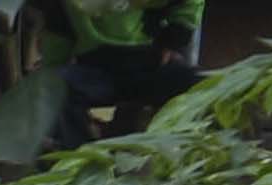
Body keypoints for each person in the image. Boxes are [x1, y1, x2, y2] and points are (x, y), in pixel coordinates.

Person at [43, 0, 199, 151]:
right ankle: (79, 159)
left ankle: (181, 155)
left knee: (198, 85)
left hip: (149, 63)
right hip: (96, 71)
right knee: (54, 87)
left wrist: (173, 38)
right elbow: (57, 38)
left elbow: (188, 5)